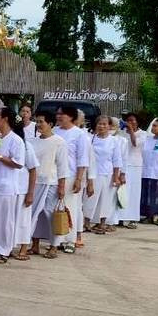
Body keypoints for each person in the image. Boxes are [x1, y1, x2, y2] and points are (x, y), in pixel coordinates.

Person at [0, 108, 25, 264]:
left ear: (5, 119)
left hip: (6, 185)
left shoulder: (16, 140)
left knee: (4, 220)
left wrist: (0, 157)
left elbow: (18, 163)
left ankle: (3, 250)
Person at [28, 110, 69, 258]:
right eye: (37, 122)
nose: (38, 125)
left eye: (41, 122)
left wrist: (61, 186)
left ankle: (54, 246)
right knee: (35, 215)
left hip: (51, 183)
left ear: (50, 124)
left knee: (51, 214)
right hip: (34, 183)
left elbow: (62, 166)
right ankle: (35, 245)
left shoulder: (59, 142)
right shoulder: (32, 141)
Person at [53, 106, 91, 252]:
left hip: (70, 175)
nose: (58, 116)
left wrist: (79, 179)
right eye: (57, 114)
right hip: (54, 175)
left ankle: (70, 240)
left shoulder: (79, 134)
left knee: (70, 207)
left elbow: (82, 158)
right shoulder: (54, 131)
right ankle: (57, 239)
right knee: (55, 207)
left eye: (62, 114)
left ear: (70, 116)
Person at [84, 115, 124, 235]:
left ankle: (102, 223)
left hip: (108, 173)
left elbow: (117, 160)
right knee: (90, 198)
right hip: (93, 173)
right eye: (99, 124)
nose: (101, 126)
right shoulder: (90, 139)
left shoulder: (114, 141)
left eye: (104, 124)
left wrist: (116, 176)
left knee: (106, 200)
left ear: (109, 126)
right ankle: (86, 222)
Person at [12, 124, 39, 261]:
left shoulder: (26, 146)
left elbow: (33, 169)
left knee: (23, 220)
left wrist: (30, 193)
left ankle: (23, 248)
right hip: (9, 189)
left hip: (22, 188)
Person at [116, 112, 148, 227]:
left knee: (133, 192)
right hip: (123, 165)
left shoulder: (143, 134)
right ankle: (120, 217)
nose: (130, 122)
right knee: (122, 191)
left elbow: (135, 144)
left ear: (137, 122)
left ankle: (132, 218)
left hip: (135, 166)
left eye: (132, 120)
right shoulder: (122, 133)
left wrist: (131, 132)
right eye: (128, 120)